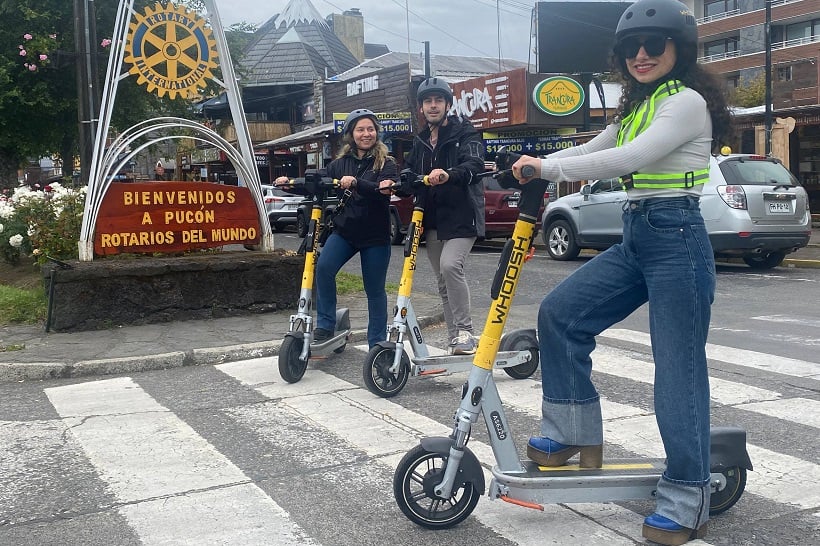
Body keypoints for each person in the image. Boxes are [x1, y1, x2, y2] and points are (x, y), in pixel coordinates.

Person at [511, 1, 732, 544]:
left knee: (677, 370)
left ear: (680, 49)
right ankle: (572, 432)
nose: (641, 54)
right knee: (560, 315)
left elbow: (629, 158)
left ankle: (688, 495)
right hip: (637, 236)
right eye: (631, 47)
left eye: (654, 44)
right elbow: (595, 147)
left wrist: (550, 168)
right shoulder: (640, 105)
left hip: (677, 239)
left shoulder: (685, 103)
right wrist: (535, 159)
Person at [276, 109, 396, 348]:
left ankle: (377, 343)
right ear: (351, 134)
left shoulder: (387, 163)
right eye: (360, 130)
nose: (366, 134)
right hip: (345, 233)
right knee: (323, 268)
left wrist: (357, 183)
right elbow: (318, 181)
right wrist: (291, 184)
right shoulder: (340, 164)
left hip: (375, 236)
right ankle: (325, 326)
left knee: (374, 289)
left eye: (370, 129)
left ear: (377, 133)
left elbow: (384, 190)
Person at [405, 77, 486, 355]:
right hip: (432, 218)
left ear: (448, 105)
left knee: (451, 266)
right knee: (442, 280)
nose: (433, 105)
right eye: (427, 101)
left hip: (462, 215)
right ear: (421, 108)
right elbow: (409, 172)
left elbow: (474, 165)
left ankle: (466, 332)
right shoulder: (420, 141)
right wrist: (400, 181)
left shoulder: (465, 133)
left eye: (438, 100)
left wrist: (449, 174)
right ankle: (455, 340)